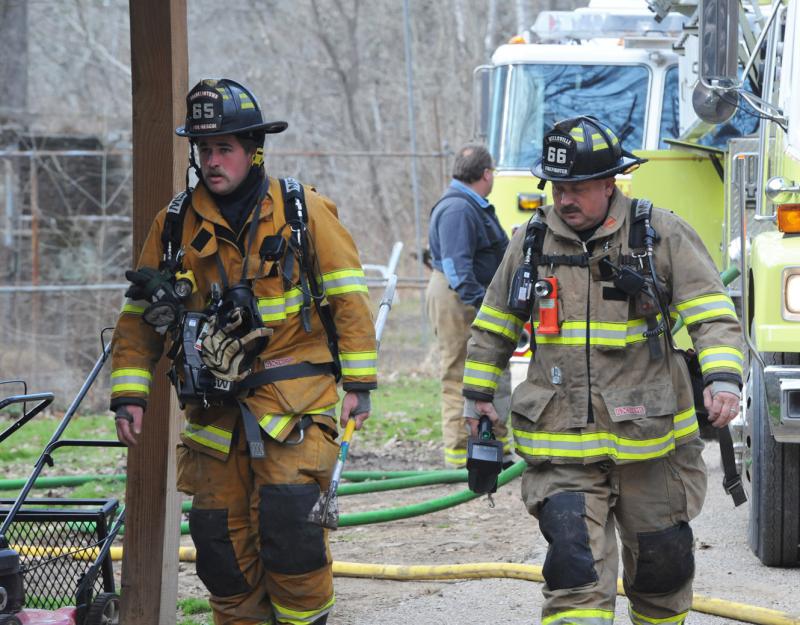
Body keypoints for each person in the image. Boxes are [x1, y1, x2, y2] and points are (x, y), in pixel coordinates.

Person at [110, 78, 377, 625]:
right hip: (214, 418)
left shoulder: (303, 212)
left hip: (292, 406)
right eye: (204, 149)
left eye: (224, 148)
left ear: (254, 148)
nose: (212, 160)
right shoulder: (173, 226)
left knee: (292, 535)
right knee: (220, 552)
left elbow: (350, 301)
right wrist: (129, 395)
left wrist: (360, 385)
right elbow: (137, 321)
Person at [462, 116, 744, 625]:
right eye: (558, 187)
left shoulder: (659, 234)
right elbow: (495, 323)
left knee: (663, 574)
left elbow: (713, 316)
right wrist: (480, 396)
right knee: (574, 574)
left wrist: (723, 379)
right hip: (562, 446)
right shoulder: (530, 243)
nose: (565, 198)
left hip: (653, 446)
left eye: (578, 187)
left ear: (609, 183)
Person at [426, 143, 513, 468]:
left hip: (466, 295)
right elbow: (456, 268)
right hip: (459, 299)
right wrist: (483, 306)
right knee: (460, 372)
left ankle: (492, 447)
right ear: (487, 174)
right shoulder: (458, 210)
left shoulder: (469, 206)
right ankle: (462, 454)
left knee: (487, 369)